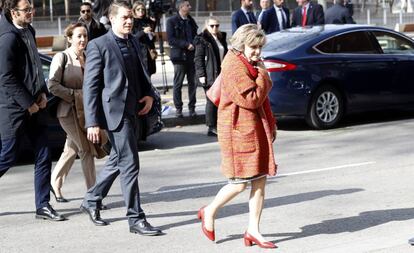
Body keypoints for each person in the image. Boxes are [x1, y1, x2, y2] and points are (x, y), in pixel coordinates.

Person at [80, 0, 162, 236]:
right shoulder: (99, 45)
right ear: (112, 19)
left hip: (135, 111)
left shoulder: (134, 41)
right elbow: (91, 87)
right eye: (124, 17)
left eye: (131, 18)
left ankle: (91, 199)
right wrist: (92, 122)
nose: (129, 21)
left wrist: (148, 96)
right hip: (115, 114)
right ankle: (135, 218)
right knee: (130, 163)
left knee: (118, 159)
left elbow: (141, 75)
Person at [197, 24, 277, 248]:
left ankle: (253, 230)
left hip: (254, 128)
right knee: (239, 183)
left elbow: (263, 101)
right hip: (237, 132)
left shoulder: (250, 62)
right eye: (253, 47)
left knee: (260, 180)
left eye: (260, 47)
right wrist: (263, 74)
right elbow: (251, 99)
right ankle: (209, 211)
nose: (257, 52)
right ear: (241, 45)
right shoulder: (232, 64)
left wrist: (271, 123)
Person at [0, 0, 64, 221]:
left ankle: (43, 205)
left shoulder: (29, 30)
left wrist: (43, 93)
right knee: (7, 156)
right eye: (26, 10)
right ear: (12, 12)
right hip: (14, 108)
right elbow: (6, 78)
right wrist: (29, 103)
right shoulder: (7, 38)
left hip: (35, 104)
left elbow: (35, 67)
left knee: (44, 153)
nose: (31, 12)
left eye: (31, 8)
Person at [48, 22, 100, 203]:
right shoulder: (62, 57)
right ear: (69, 38)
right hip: (68, 111)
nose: (83, 39)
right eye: (79, 36)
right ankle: (93, 195)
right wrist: (73, 95)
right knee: (86, 149)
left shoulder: (89, 57)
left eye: (85, 36)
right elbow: (52, 85)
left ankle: (54, 183)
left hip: (86, 112)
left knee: (70, 149)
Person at [194, 17, 228, 137]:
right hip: (209, 74)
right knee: (211, 100)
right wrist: (201, 75)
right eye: (212, 26)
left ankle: (219, 124)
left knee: (220, 100)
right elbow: (198, 59)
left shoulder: (221, 38)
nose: (215, 28)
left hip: (221, 73)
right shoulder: (202, 39)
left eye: (217, 25)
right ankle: (211, 126)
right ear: (207, 26)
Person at [166, 0, 198, 118]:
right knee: (178, 83)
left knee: (193, 83)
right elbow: (171, 39)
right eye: (187, 5)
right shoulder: (171, 21)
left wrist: (196, 43)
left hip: (191, 57)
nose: (190, 7)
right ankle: (178, 109)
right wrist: (185, 44)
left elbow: (195, 35)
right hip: (179, 57)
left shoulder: (191, 20)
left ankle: (192, 108)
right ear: (181, 7)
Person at [132, 1, 157, 76]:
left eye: (142, 9)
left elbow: (151, 39)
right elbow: (132, 38)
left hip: (149, 53)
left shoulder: (147, 21)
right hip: (139, 54)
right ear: (134, 11)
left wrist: (153, 35)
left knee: (149, 76)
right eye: (138, 9)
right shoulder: (132, 22)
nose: (141, 11)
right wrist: (143, 32)